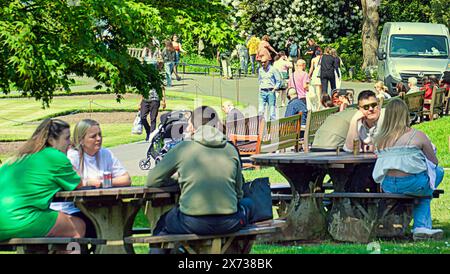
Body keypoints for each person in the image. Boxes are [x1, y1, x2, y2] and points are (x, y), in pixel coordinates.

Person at [147, 106, 253, 238]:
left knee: (163, 223)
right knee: (249, 205)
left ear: (192, 126)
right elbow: (238, 192)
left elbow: (152, 180)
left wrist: (178, 179)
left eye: (189, 124)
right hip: (229, 221)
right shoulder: (230, 149)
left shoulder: (183, 148)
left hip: (192, 221)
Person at [0, 119, 85, 241]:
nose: (70, 143)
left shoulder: (17, 158)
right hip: (21, 219)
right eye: (66, 138)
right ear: (51, 140)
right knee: (78, 227)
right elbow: (78, 183)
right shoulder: (56, 157)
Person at [372, 98, 444, 240]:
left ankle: (421, 227)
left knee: (425, 188)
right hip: (413, 184)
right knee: (436, 175)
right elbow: (434, 162)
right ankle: (421, 227)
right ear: (405, 115)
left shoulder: (380, 139)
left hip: (388, 185)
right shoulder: (417, 135)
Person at [50, 119, 131, 238]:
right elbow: (77, 182)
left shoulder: (105, 154)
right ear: (81, 140)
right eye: (93, 136)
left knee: (116, 221)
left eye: (100, 135)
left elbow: (126, 179)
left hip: (95, 205)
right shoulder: (72, 156)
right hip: (69, 208)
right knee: (100, 228)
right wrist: (92, 182)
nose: (99, 139)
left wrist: (102, 183)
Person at [140, 77, 167, 142]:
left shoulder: (158, 77)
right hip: (145, 100)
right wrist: (140, 102)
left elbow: (162, 89)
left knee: (153, 119)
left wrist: (163, 100)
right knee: (142, 117)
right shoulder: (144, 77)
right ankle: (148, 130)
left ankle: (151, 136)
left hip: (155, 100)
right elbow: (143, 90)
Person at [258, 56, 282, 121]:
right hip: (262, 91)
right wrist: (260, 88)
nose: (263, 64)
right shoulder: (260, 70)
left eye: (264, 62)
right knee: (260, 110)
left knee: (272, 111)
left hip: (270, 91)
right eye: (261, 62)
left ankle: (272, 125)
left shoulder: (273, 69)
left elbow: (279, 80)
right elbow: (259, 80)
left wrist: (274, 89)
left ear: (268, 61)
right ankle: (261, 124)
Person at [287, 59, 310, 125]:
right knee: (302, 117)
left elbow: (289, 87)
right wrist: (309, 89)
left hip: (293, 97)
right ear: (303, 65)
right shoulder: (304, 74)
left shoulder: (292, 74)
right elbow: (305, 86)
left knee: (293, 115)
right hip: (302, 97)